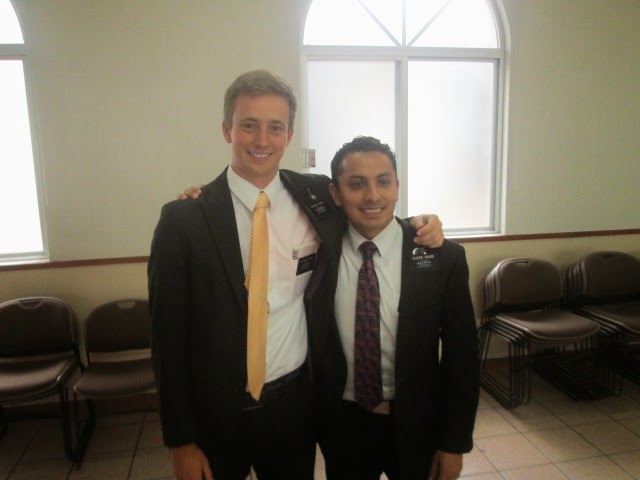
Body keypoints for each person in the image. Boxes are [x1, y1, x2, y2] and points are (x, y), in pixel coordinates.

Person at [148, 70, 444, 480]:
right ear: (226, 129)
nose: (262, 140)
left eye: (275, 127)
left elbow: (371, 210)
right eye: (248, 125)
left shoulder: (316, 195)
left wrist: (419, 226)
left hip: (293, 409)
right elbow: (167, 340)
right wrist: (180, 440)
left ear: (288, 135)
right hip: (214, 414)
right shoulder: (184, 220)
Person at [314, 136, 480, 480]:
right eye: (357, 184)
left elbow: (461, 358)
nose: (373, 196)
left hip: (418, 422)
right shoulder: (317, 252)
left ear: (397, 187)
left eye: (384, 182)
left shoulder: (442, 257)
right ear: (336, 193)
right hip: (343, 425)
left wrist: (454, 443)